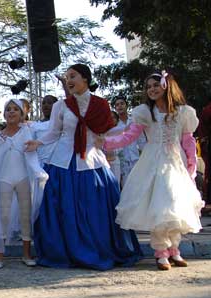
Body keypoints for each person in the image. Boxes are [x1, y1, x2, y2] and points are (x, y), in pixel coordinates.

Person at [25, 64, 142, 271]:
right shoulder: (61, 105)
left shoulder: (100, 104)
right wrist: (38, 143)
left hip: (92, 161)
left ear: (85, 79)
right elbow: (54, 132)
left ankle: (99, 248)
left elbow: (106, 131)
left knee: (95, 209)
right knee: (63, 208)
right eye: (67, 77)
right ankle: (66, 250)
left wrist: (104, 142)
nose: (68, 80)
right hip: (63, 161)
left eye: (73, 76)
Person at [100, 71, 203, 270]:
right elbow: (129, 136)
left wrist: (191, 163)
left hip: (176, 162)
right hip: (153, 162)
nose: (152, 89)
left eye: (156, 85)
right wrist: (105, 143)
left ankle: (174, 248)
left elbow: (188, 139)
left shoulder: (183, 112)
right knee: (160, 205)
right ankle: (161, 251)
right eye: (148, 87)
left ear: (167, 86)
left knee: (176, 204)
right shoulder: (145, 112)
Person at [0, 99, 47, 268]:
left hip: (23, 178)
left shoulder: (28, 131)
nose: (11, 112)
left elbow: (43, 137)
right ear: (4, 114)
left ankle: (26, 254)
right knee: (3, 215)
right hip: (4, 179)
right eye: (8, 109)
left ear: (22, 114)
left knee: (25, 215)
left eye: (15, 109)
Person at [113, 95, 145, 187]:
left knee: (140, 186)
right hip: (123, 163)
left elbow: (142, 140)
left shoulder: (134, 121)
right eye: (117, 105)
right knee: (127, 188)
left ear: (126, 106)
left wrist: (145, 155)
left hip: (136, 159)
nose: (120, 106)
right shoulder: (115, 125)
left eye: (122, 104)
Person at [29, 95, 58, 165]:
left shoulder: (61, 123)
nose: (46, 105)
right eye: (44, 103)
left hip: (57, 164)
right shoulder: (35, 125)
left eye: (49, 103)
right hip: (41, 165)